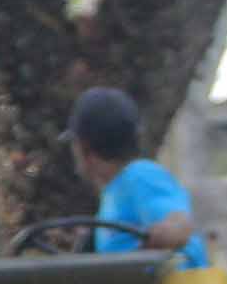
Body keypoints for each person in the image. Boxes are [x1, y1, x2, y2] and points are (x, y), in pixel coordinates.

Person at [66, 85, 206, 267]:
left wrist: (169, 231)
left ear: (84, 148)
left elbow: (180, 223)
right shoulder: (114, 193)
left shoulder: (141, 175)